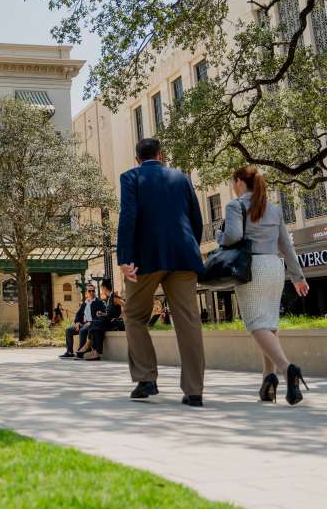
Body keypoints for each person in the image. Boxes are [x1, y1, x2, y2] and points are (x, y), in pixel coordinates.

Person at [117, 138, 206, 406]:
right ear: (161, 155)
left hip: (145, 258)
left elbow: (128, 215)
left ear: (137, 159)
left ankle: (146, 378)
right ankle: (194, 391)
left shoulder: (131, 177)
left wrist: (125, 258)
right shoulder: (181, 178)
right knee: (188, 321)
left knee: (134, 315)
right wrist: (191, 247)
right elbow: (196, 218)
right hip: (183, 255)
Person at [218, 166, 310, 405]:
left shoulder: (235, 205)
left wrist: (221, 235)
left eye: (232, 182)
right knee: (268, 324)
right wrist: (298, 277)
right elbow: (286, 246)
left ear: (239, 181)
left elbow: (233, 237)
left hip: (251, 267)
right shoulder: (274, 209)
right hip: (274, 267)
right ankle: (268, 382)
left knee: (255, 323)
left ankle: (288, 368)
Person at [83, 280, 124, 360]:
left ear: (104, 288)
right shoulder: (108, 299)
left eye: (101, 288)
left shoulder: (114, 297)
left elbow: (126, 306)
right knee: (96, 328)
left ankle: (89, 346)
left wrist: (121, 317)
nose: (101, 290)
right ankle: (96, 351)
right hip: (107, 322)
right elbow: (109, 313)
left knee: (94, 324)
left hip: (113, 323)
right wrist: (102, 313)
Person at [59, 285, 103, 359]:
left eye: (93, 291)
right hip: (83, 324)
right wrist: (77, 322)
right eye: (89, 291)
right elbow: (78, 314)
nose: (92, 292)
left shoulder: (99, 302)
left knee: (82, 330)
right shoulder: (84, 303)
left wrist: (91, 322)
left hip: (92, 324)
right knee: (68, 330)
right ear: (86, 292)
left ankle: (80, 352)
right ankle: (69, 352)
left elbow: (102, 314)